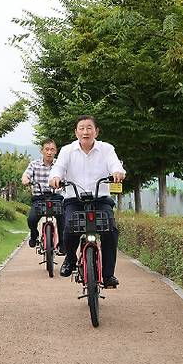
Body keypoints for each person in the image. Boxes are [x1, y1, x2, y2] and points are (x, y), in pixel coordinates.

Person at [48, 116, 126, 288]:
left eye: (89, 128)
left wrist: (118, 173)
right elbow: (58, 168)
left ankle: (108, 275)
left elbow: (115, 165)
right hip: (74, 200)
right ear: (76, 132)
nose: (85, 131)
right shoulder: (67, 150)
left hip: (101, 199)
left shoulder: (106, 148)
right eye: (81, 128)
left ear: (96, 131)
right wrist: (55, 178)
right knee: (69, 226)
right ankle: (70, 258)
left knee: (110, 230)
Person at [21, 139, 65, 255]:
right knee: (31, 219)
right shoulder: (34, 164)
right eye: (47, 149)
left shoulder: (60, 165)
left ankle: (62, 244)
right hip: (39, 198)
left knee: (62, 218)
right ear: (42, 151)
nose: (49, 152)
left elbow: (67, 177)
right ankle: (34, 235)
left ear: (56, 151)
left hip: (56, 197)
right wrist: (25, 179)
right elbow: (26, 174)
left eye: (52, 149)